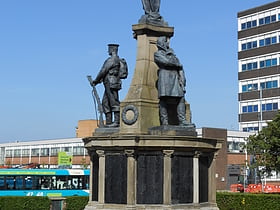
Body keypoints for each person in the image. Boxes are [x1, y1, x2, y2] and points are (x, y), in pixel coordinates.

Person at [154, 36, 189, 126]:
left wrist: (182, 80)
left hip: (175, 77)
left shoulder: (172, 54)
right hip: (165, 77)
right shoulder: (158, 54)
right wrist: (176, 63)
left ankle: (182, 120)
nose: (167, 44)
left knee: (181, 98)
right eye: (165, 42)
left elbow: (179, 66)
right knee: (164, 99)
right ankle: (164, 121)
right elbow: (165, 62)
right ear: (161, 44)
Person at [91, 44, 123, 127]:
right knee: (105, 102)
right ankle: (109, 122)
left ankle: (116, 122)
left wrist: (96, 80)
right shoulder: (116, 59)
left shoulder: (112, 59)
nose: (107, 51)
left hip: (111, 83)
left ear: (112, 49)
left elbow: (103, 70)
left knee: (113, 102)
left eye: (109, 49)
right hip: (109, 83)